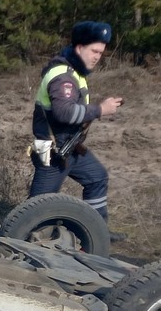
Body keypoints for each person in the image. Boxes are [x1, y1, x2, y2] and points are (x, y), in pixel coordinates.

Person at [30, 21, 125, 234]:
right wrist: (100, 110)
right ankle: (20, 237)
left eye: (101, 52)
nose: (98, 57)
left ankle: (94, 232)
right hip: (53, 151)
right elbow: (64, 112)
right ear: (79, 48)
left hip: (70, 148)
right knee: (35, 208)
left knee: (97, 177)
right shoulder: (63, 75)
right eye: (94, 51)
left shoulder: (75, 73)